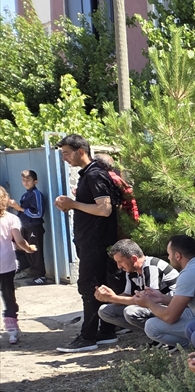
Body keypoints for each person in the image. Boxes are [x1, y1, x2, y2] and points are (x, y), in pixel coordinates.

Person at [54, 134, 121, 353]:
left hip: (96, 242)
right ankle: (106, 331)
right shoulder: (89, 174)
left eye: (66, 153)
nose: (64, 158)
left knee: (89, 286)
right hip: (93, 241)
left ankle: (88, 337)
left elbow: (105, 209)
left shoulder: (94, 174)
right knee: (101, 285)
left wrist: (73, 204)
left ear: (80, 151)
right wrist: (74, 202)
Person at [133, 235, 195, 349]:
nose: (168, 257)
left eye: (169, 254)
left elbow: (170, 317)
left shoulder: (189, 274)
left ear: (177, 256)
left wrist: (148, 303)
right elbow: (191, 301)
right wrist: (162, 298)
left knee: (151, 326)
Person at [96, 239, 178, 335]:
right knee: (105, 311)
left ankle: (162, 334)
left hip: (173, 307)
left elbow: (150, 299)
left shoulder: (151, 266)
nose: (119, 266)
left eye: (120, 262)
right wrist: (107, 297)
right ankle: (152, 334)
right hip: (156, 306)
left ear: (134, 259)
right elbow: (127, 295)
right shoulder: (131, 271)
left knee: (131, 312)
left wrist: (113, 298)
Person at [0, 186, 38, 344]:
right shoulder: (11, 218)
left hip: (6, 263)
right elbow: (19, 241)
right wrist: (29, 249)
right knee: (8, 294)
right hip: (6, 263)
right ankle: (12, 331)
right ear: (5, 200)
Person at [5, 170, 46, 283]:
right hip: (25, 226)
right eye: (23, 180)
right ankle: (30, 270)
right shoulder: (25, 195)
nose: (25, 182)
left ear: (35, 181)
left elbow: (38, 213)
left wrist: (19, 208)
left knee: (35, 251)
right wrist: (15, 207)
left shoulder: (36, 194)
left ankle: (41, 276)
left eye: (28, 180)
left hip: (34, 227)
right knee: (23, 248)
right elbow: (22, 212)